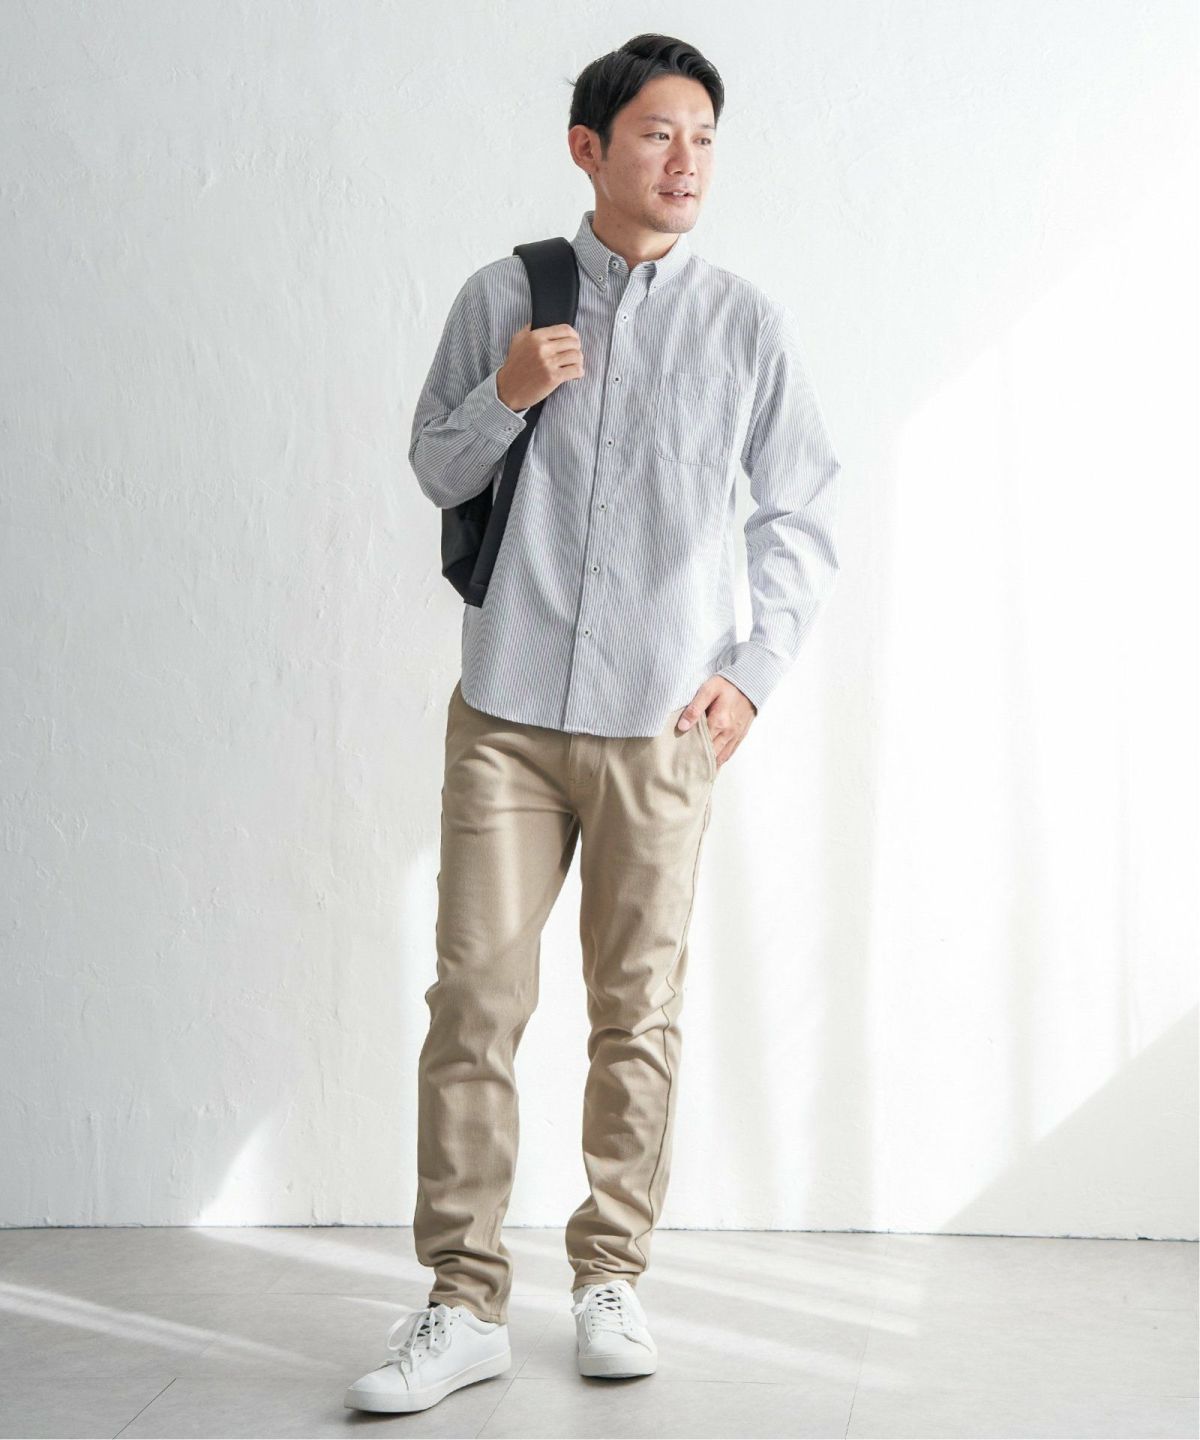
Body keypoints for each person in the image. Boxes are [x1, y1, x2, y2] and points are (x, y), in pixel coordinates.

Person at [344, 30, 843, 1416]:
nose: (686, 162)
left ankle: (612, 1274)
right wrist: (507, 395)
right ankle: (462, 1302)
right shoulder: (506, 295)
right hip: (507, 713)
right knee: (474, 1003)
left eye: (703, 138)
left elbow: (803, 513)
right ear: (589, 148)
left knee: (638, 1014)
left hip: (659, 726)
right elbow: (434, 465)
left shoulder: (745, 325)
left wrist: (752, 672)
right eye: (657, 134)